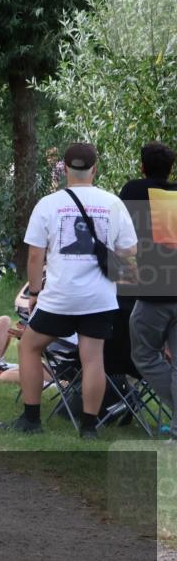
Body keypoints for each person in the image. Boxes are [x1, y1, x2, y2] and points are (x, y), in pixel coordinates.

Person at [0, 142, 137, 439]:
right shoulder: (113, 203)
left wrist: (34, 292)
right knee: (92, 358)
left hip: (59, 296)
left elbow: (36, 256)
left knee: (29, 347)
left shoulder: (48, 204)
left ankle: (31, 418)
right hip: (99, 298)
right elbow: (130, 251)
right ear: (94, 168)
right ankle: (89, 428)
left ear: (64, 169)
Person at [121, 141, 177, 437]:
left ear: (142, 166)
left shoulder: (133, 190)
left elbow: (119, 232)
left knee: (143, 354)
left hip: (155, 288)